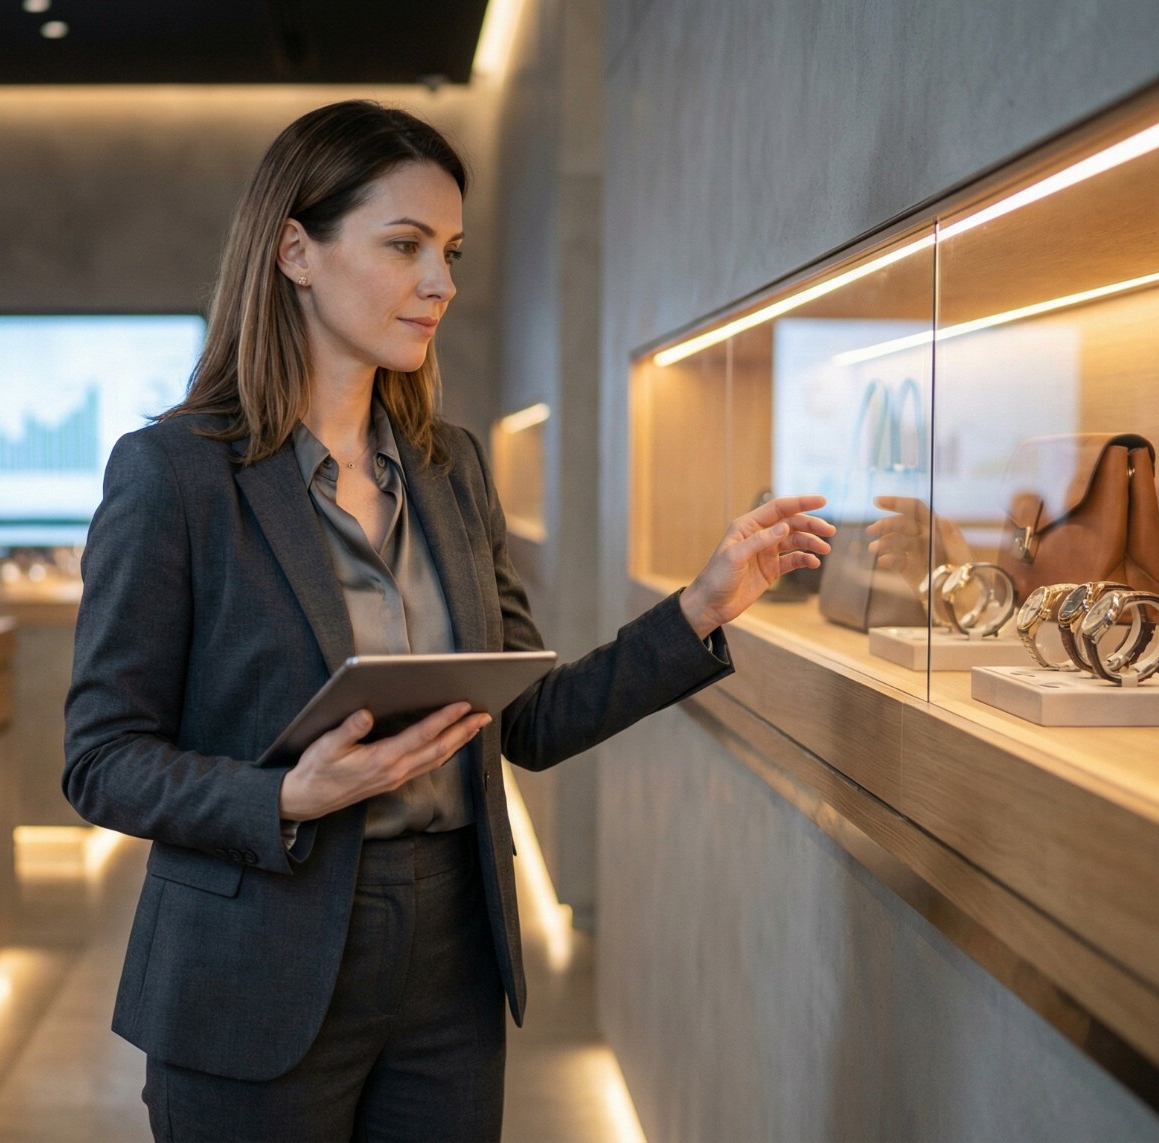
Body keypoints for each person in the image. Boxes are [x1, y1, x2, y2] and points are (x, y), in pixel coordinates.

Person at [62, 100, 831, 1142]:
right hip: (254, 963)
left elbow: (528, 719)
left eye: (451, 251)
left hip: (449, 959)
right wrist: (284, 792)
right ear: (295, 250)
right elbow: (102, 758)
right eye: (404, 245)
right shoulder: (172, 475)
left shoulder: (448, 467)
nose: (442, 283)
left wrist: (699, 608)